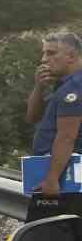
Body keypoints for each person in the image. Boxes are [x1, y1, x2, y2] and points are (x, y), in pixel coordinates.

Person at [26, 32, 82, 213]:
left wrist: (52, 179)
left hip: (65, 181)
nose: (43, 60)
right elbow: (31, 118)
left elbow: (66, 137)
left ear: (71, 57)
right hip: (54, 177)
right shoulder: (62, 85)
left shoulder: (75, 87)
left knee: (45, 238)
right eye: (43, 53)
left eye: (51, 53)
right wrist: (38, 87)